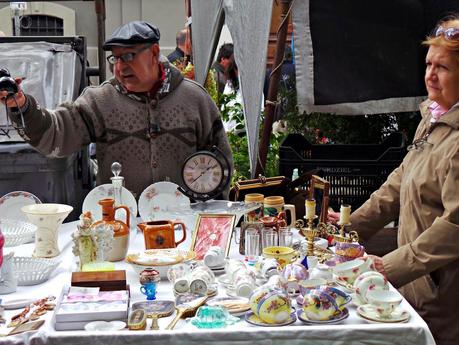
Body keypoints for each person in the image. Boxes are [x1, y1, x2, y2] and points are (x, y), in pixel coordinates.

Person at [0, 21, 233, 199]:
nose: (120, 67)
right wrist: (22, 106)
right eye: (116, 58)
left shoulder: (194, 99)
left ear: (154, 53)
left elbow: (221, 164)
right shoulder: (99, 102)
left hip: (184, 229)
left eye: (129, 56)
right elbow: (56, 135)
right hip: (122, 230)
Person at [346, 15, 459, 345]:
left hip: (445, 294)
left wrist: (391, 266)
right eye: (428, 64)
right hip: (418, 284)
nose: (430, 76)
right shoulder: (435, 117)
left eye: (443, 68)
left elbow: (454, 227)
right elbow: (400, 181)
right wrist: (349, 227)